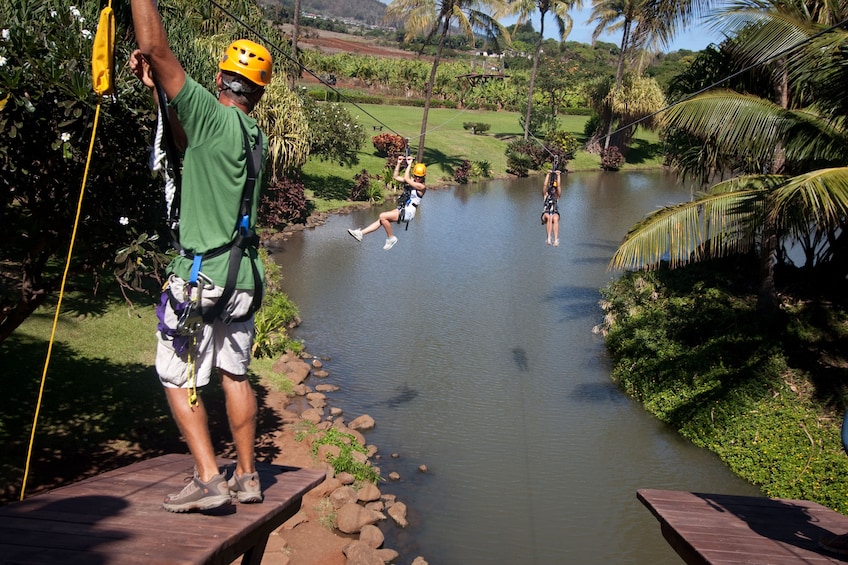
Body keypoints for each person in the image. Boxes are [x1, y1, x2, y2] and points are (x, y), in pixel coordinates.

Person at [130, 0, 271, 513]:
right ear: (258, 92)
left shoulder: (212, 116)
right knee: (236, 375)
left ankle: (210, 478)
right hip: (243, 280)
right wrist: (161, 97)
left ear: (218, 80)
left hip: (201, 276)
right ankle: (248, 477)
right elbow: (192, 145)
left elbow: (156, 47)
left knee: (175, 373)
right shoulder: (255, 136)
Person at [348, 155, 426, 250]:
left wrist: (409, 165)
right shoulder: (412, 181)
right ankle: (360, 233)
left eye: (420, 177)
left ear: (423, 177)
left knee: (382, 216)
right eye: (416, 176)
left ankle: (391, 238)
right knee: (381, 220)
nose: (417, 178)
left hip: (409, 212)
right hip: (403, 209)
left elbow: (407, 178)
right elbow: (396, 176)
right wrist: (398, 163)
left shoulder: (421, 187)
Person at [541, 169, 562, 246]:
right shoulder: (545, 195)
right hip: (545, 214)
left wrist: (558, 176)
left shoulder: (557, 196)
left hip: (554, 213)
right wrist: (548, 174)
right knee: (549, 217)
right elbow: (544, 185)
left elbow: (559, 186)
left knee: (555, 218)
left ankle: (556, 239)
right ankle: (549, 238)